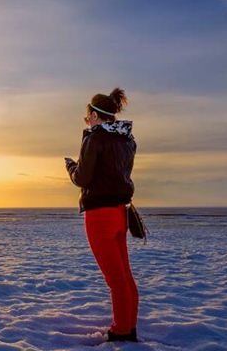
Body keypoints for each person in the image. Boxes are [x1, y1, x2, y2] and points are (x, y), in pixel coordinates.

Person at [65, 88, 139, 342]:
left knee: (115, 279)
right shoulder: (127, 140)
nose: (87, 122)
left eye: (87, 117)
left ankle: (122, 331)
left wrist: (71, 167)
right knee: (124, 276)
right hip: (121, 212)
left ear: (95, 115)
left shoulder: (94, 138)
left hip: (99, 215)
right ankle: (128, 326)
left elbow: (83, 178)